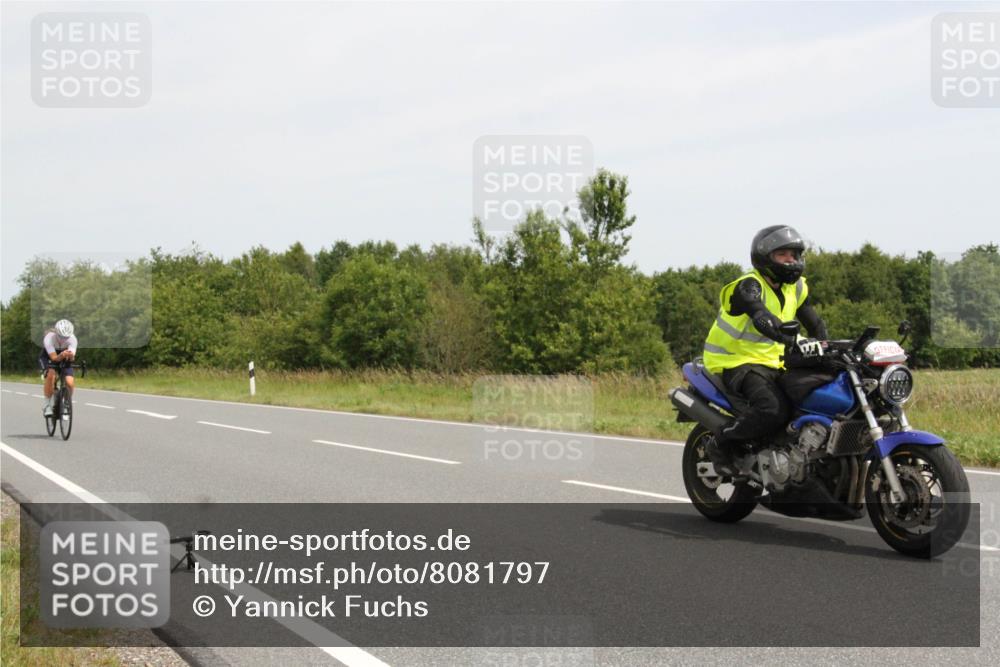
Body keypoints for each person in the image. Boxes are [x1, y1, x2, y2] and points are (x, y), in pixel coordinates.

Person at [701, 226, 829, 475]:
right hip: (735, 361)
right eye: (782, 254)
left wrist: (827, 347)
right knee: (772, 409)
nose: (790, 260)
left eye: (794, 254)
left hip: (775, 361)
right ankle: (722, 442)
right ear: (764, 256)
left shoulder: (797, 288)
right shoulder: (748, 286)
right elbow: (761, 316)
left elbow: (815, 324)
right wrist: (788, 338)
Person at [39, 319, 78, 417]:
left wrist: (70, 355)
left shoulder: (73, 339)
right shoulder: (49, 338)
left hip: (63, 357)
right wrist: (61, 355)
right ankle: (47, 405)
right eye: (61, 336)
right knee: (51, 375)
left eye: (66, 337)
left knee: (70, 382)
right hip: (49, 357)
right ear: (56, 333)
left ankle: (66, 404)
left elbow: (72, 358)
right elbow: (54, 358)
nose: (64, 339)